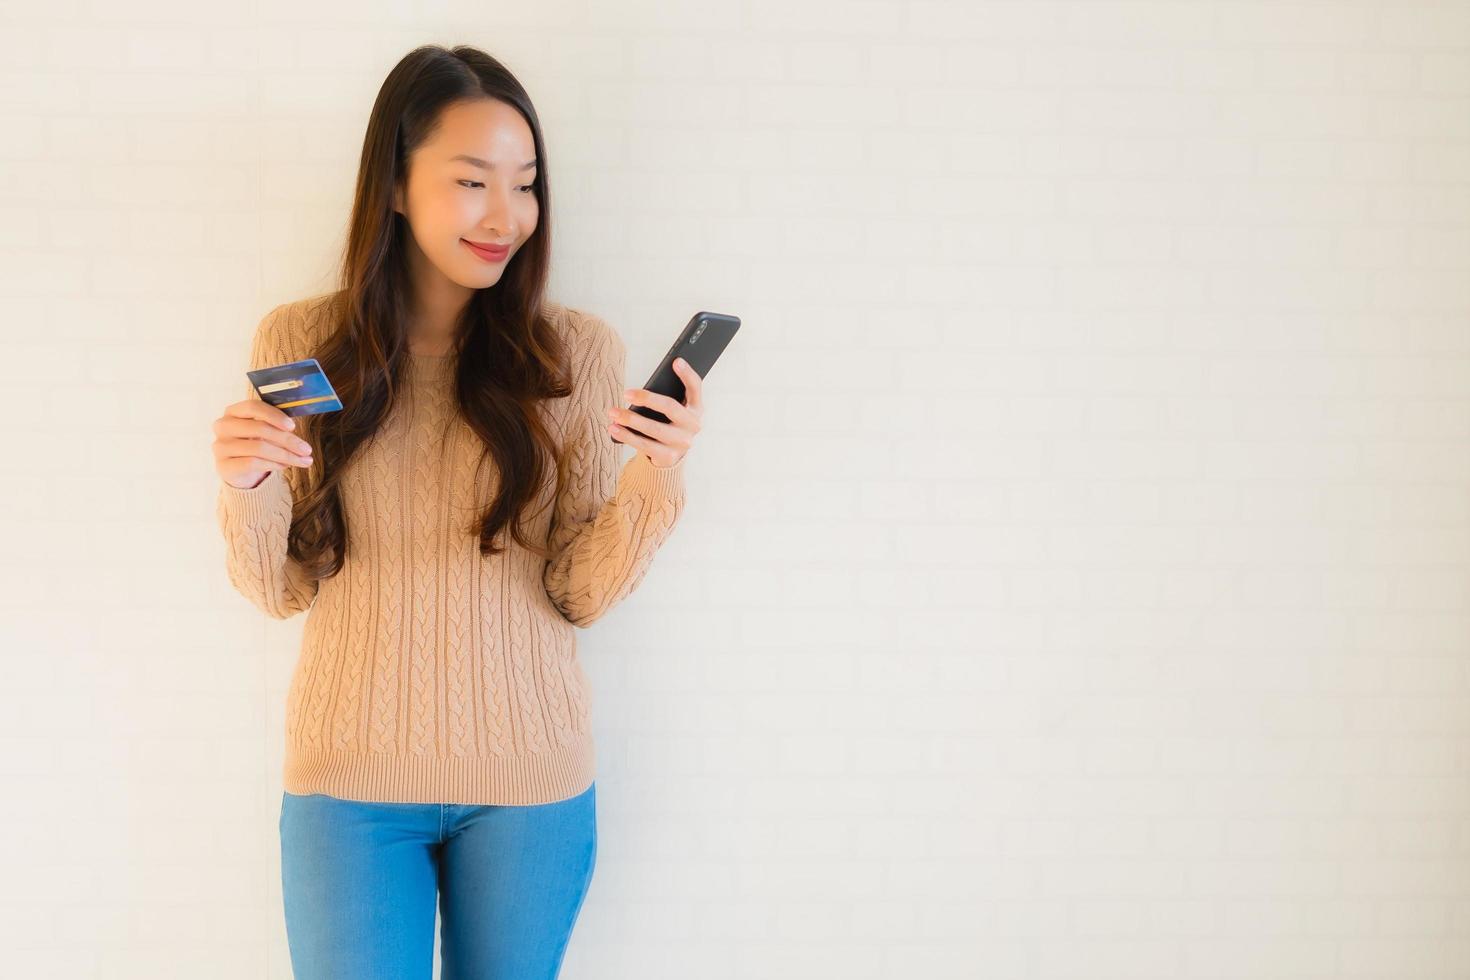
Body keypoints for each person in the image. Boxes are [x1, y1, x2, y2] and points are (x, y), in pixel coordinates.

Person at [208, 44, 702, 980]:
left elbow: (579, 594)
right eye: (472, 181)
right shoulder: (303, 345)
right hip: (347, 786)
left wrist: (655, 475)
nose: (506, 215)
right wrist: (247, 486)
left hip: (529, 788)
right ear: (394, 186)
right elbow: (277, 589)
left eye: (526, 186)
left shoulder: (574, 355)